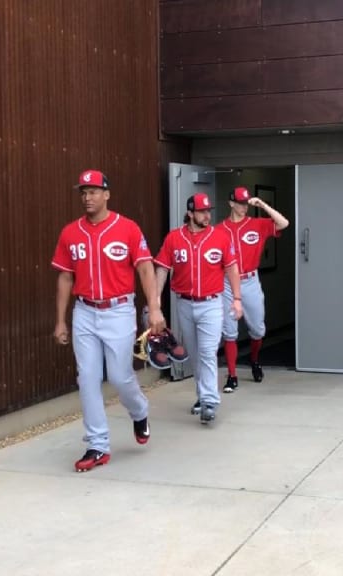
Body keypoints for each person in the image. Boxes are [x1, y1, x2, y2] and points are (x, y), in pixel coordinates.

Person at [51, 169, 165, 472]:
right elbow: (65, 276)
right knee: (86, 378)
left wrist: (154, 309)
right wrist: (60, 321)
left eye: (93, 191)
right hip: (85, 311)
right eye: (83, 192)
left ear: (106, 194)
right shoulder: (70, 232)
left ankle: (139, 411)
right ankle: (97, 445)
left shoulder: (127, 228)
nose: (87, 197)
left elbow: (144, 269)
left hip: (118, 310)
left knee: (119, 376)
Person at [154, 192, 243, 424]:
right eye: (202, 211)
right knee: (194, 354)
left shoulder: (220, 237)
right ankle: (202, 396)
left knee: (207, 352)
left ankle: (210, 401)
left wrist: (236, 298)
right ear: (190, 213)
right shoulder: (174, 238)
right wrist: (154, 301)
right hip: (184, 302)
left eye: (208, 211)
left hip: (212, 303)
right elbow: (162, 269)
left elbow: (232, 268)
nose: (207, 215)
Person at [219, 186, 290, 393]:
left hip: (250, 279)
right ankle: (232, 376)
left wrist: (262, 204)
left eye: (246, 203)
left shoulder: (256, 224)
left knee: (258, 329)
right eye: (240, 203)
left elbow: (283, 223)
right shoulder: (219, 229)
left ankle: (254, 360)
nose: (243, 207)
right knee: (230, 332)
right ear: (231, 203)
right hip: (226, 282)